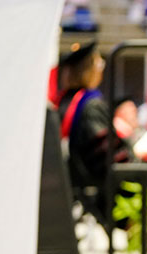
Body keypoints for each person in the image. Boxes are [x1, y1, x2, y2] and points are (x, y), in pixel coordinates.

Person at [56, 40, 131, 226]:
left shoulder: (66, 101)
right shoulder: (90, 106)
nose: (101, 69)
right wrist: (134, 159)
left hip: (76, 179)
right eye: (99, 64)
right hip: (98, 186)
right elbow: (106, 156)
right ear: (89, 69)